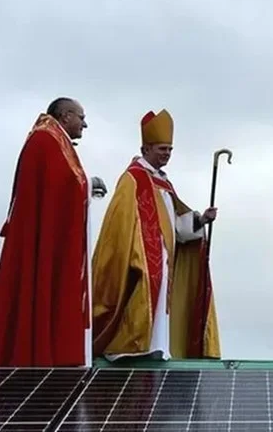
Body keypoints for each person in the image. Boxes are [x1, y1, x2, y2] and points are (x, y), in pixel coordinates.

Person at [91, 109, 221, 361]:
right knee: (141, 293)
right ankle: (129, 345)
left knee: (161, 298)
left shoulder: (164, 182)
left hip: (164, 257)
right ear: (146, 149)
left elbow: (174, 226)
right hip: (138, 253)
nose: (167, 154)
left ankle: (156, 347)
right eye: (162, 149)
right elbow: (120, 223)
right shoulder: (133, 179)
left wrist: (201, 219)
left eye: (170, 150)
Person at [0, 97, 93, 367]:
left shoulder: (55, 139)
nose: (84, 124)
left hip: (54, 236)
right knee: (39, 285)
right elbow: (61, 185)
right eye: (81, 117)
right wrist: (88, 186)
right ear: (65, 116)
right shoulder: (45, 140)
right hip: (43, 239)